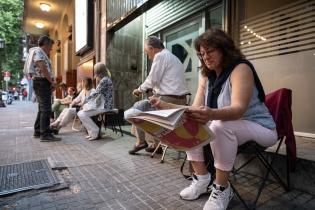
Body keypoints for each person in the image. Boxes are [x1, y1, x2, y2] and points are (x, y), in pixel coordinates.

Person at [149, 29, 277, 210]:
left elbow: (238, 110)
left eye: (210, 51)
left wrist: (210, 114)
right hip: (228, 126)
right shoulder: (206, 76)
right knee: (188, 122)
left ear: (224, 48)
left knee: (218, 126)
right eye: (202, 54)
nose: (206, 57)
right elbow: (194, 108)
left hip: (261, 127)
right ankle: (202, 179)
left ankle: (222, 188)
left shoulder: (241, 68)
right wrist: (164, 105)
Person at [124, 36, 189, 155]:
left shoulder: (160, 56)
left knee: (137, 108)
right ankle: (156, 145)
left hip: (168, 100)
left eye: (147, 52)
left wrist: (138, 90)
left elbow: (152, 80)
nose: (148, 56)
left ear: (151, 48)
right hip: (182, 102)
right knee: (148, 108)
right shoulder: (174, 58)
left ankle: (140, 142)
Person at [31, 35, 61, 141]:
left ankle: (38, 130)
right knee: (46, 109)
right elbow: (42, 67)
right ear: (46, 44)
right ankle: (45, 134)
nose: (51, 49)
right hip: (41, 82)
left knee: (42, 108)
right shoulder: (38, 52)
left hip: (41, 82)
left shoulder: (40, 52)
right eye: (50, 46)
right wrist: (51, 81)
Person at [78, 62, 113, 141]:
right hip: (105, 105)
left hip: (104, 106)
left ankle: (94, 131)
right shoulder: (107, 79)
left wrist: (84, 101)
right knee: (81, 114)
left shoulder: (104, 80)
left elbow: (95, 93)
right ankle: (92, 132)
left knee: (82, 114)